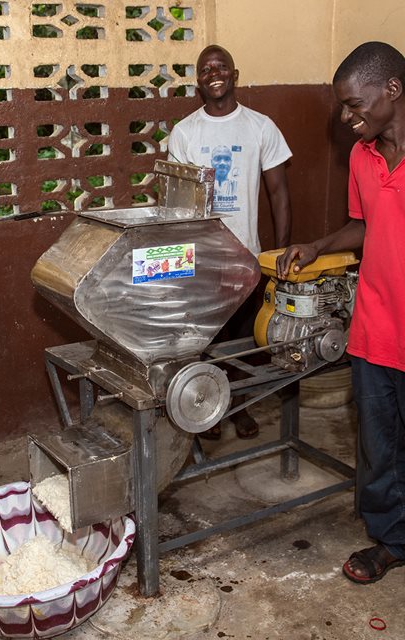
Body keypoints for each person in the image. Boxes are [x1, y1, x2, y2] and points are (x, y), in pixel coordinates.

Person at [277, 41, 405, 585]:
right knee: (379, 449)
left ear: (392, 90)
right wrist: (318, 245)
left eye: (355, 106)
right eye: (344, 110)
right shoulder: (362, 156)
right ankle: (392, 539)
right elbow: (364, 224)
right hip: (376, 327)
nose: (350, 119)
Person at [168, 44, 293, 440]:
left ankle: (240, 407)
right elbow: (179, 203)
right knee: (205, 341)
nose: (214, 73)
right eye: (206, 69)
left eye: (221, 67)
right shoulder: (186, 132)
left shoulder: (260, 127)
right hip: (203, 260)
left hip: (248, 257)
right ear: (199, 81)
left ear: (235, 75)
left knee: (243, 340)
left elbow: (279, 195)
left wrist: (276, 258)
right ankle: (209, 411)